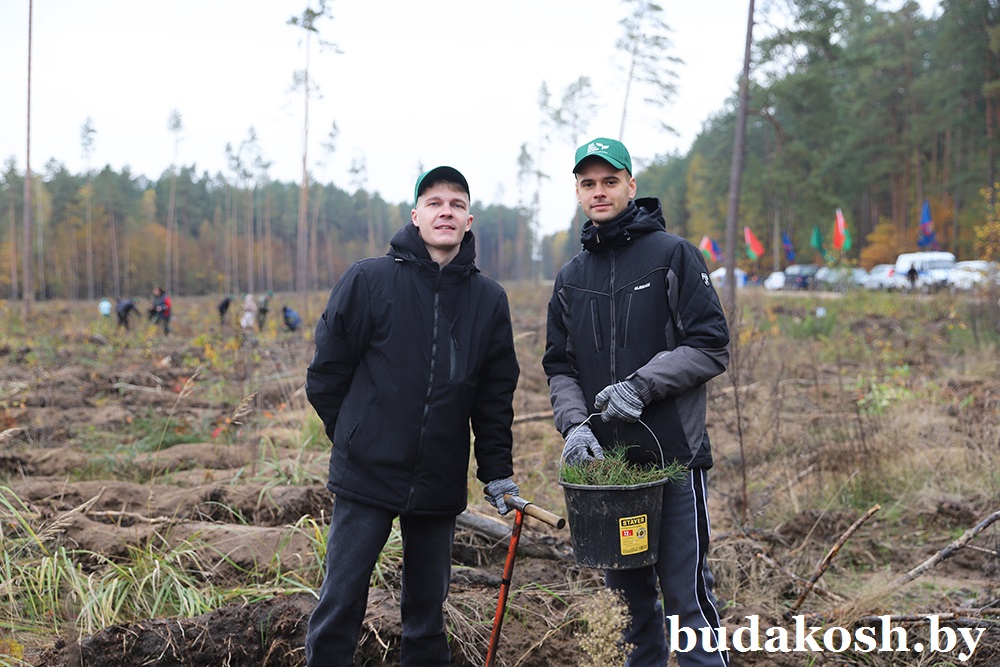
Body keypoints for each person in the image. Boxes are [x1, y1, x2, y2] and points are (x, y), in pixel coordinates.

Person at [304, 166, 520, 666]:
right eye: (435, 202)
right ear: (416, 215)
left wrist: (497, 471)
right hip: (367, 474)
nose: (446, 212)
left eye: (457, 205)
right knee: (340, 603)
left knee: (426, 615)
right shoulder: (369, 279)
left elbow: (493, 398)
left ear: (469, 221)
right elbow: (326, 373)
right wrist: (355, 435)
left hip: (439, 479)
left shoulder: (488, 299)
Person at [543, 138, 731, 667]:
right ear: (578, 193)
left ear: (631, 185)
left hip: (674, 460)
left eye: (610, 181)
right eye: (588, 183)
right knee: (631, 610)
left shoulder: (673, 255)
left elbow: (710, 345)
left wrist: (643, 385)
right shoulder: (571, 278)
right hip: (610, 475)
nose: (599, 192)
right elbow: (560, 366)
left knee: (688, 600)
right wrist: (575, 426)